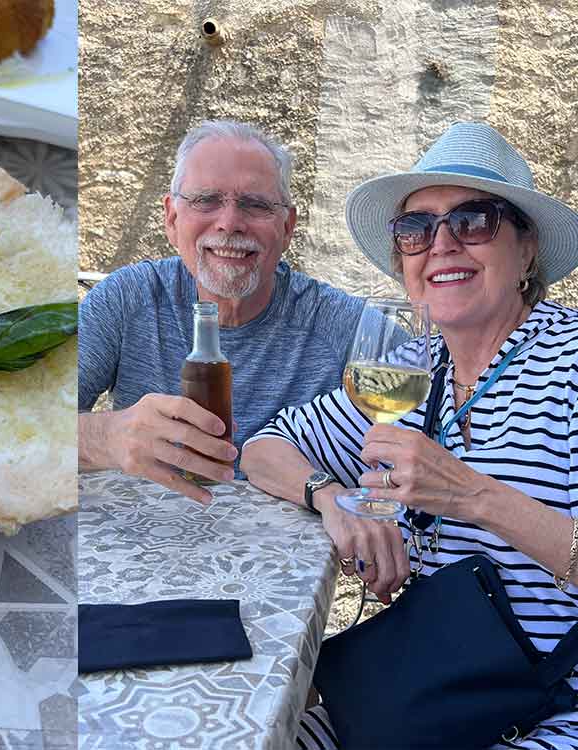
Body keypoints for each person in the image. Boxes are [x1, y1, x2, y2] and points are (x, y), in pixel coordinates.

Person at [241, 121, 578, 748]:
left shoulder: (569, 361)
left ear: (526, 251)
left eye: (473, 221)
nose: (442, 244)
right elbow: (264, 449)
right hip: (422, 688)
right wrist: (332, 498)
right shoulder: (413, 364)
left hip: (548, 709)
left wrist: (472, 496)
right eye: (416, 229)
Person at [78, 121, 365, 503]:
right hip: (139, 549)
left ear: (288, 226)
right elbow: (26, 425)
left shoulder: (342, 327)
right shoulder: (127, 299)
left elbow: (438, 414)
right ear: (171, 218)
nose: (229, 222)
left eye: (256, 204)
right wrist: (107, 436)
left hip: (283, 559)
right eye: (205, 200)